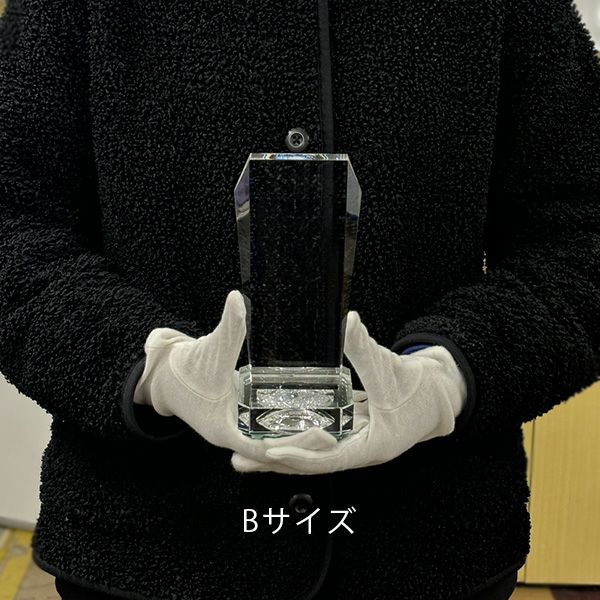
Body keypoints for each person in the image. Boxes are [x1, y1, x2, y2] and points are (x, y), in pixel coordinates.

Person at [0, 0, 598, 598]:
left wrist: (451, 375)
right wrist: (149, 368)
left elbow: (581, 231)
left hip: (428, 542)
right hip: (145, 540)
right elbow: (14, 224)